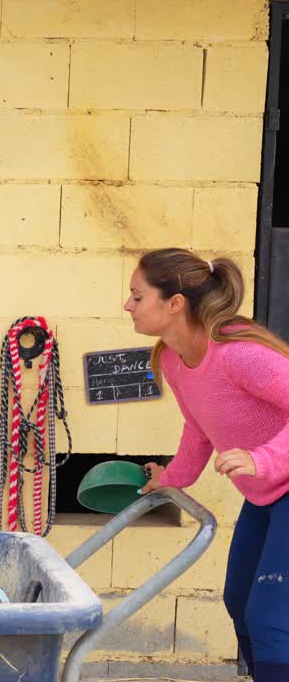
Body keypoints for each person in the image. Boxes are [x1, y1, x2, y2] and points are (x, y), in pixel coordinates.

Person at [129, 248, 289, 681]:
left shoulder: (238, 353)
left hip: (280, 482)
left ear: (175, 303)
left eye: (137, 296)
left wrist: (264, 458)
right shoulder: (172, 359)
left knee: (271, 619)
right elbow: (198, 427)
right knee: (239, 601)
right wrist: (172, 481)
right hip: (268, 494)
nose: (127, 306)